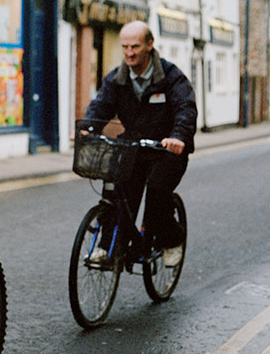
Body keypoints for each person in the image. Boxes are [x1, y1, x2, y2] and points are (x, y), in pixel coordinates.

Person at [84, 20, 197, 267]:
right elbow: (100, 107)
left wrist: (178, 136)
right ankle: (110, 246)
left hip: (167, 149)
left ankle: (171, 240)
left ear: (149, 45)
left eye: (135, 46)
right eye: (125, 47)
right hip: (134, 147)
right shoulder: (117, 78)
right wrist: (86, 128)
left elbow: (185, 108)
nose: (129, 53)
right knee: (115, 191)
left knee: (157, 192)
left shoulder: (171, 77)